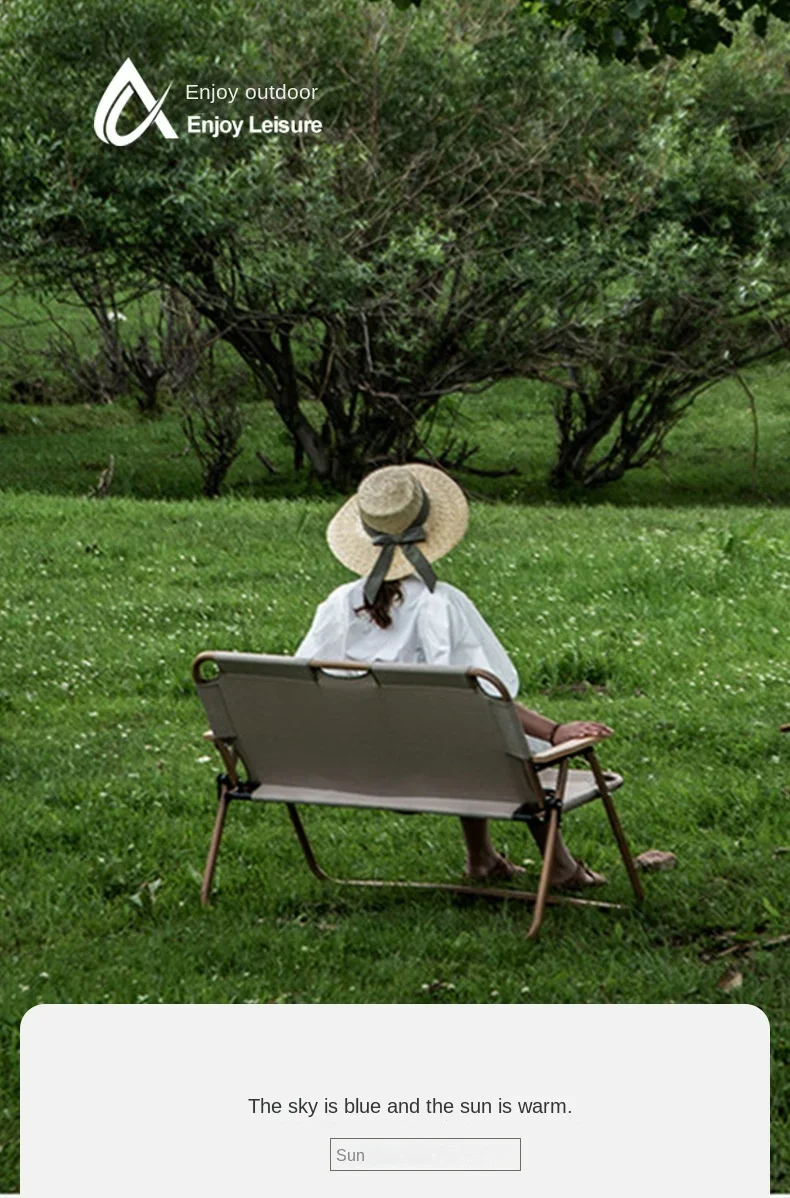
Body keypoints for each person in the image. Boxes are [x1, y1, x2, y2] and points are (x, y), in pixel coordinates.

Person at [295, 462, 611, 889]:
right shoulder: (440, 605)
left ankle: (482, 857)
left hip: (362, 767)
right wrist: (554, 731)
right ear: (429, 532)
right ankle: (560, 866)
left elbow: (303, 686)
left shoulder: (337, 606)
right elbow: (486, 696)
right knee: (495, 736)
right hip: (441, 766)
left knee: (456, 730)